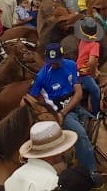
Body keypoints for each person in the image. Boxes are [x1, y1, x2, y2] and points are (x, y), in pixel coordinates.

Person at [27, 43, 100, 180]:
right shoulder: (42, 76)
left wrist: (64, 111)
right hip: (61, 114)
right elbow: (28, 98)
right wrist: (49, 114)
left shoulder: (71, 65)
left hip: (71, 109)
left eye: (56, 62)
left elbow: (78, 93)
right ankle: (91, 173)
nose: (54, 65)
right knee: (81, 134)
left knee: (98, 125)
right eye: (51, 62)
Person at [74, 16, 104, 115]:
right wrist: (93, 73)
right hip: (84, 73)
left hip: (77, 69)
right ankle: (96, 114)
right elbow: (91, 62)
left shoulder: (82, 41)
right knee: (95, 91)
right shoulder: (95, 45)